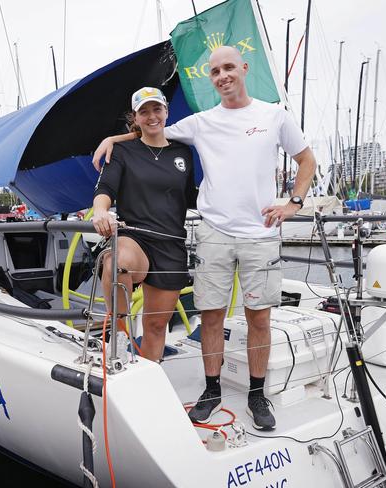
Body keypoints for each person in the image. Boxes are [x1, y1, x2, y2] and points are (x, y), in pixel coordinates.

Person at [92, 46, 317, 431]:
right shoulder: (200, 123)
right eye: (215, 71)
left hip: (260, 234)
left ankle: (256, 394)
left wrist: (294, 203)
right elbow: (148, 132)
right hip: (213, 232)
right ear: (210, 78)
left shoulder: (274, 115)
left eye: (229, 68)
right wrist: (112, 138)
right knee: (211, 316)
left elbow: (307, 160)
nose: (223, 76)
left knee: (258, 319)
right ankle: (211, 390)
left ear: (243, 69)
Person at [92, 86, 197, 362]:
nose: (152, 116)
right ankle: (120, 333)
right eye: (144, 111)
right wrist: (100, 212)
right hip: (135, 238)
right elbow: (104, 189)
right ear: (135, 118)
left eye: (156, 109)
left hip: (171, 244)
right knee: (117, 262)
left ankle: (150, 377)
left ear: (166, 112)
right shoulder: (122, 151)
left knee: (155, 326)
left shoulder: (183, 152)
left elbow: (192, 198)